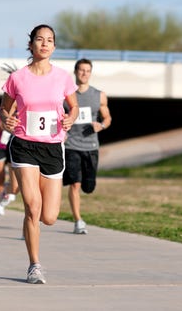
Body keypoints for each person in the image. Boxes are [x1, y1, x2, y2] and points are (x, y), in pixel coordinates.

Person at [0, 24, 79, 284]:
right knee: (32, 207)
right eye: (39, 39)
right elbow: (4, 110)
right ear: (31, 45)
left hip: (53, 148)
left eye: (49, 40)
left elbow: (74, 107)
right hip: (24, 144)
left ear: (54, 46)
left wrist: (70, 118)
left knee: (50, 217)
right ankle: (34, 265)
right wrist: (6, 121)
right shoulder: (17, 78)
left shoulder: (63, 77)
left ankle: (34, 234)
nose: (44, 44)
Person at [63, 58, 112, 234]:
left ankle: (86, 188)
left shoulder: (99, 95)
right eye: (81, 70)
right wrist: (62, 131)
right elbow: (57, 115)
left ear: (90, 73)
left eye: (87, 71)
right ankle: (78, 221)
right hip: (71, 145)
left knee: (88, 187)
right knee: (74, 184)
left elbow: (107, 118)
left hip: (91, 146)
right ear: (75, 72)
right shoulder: (67, 94)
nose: (84, 73)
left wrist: (102, 125)